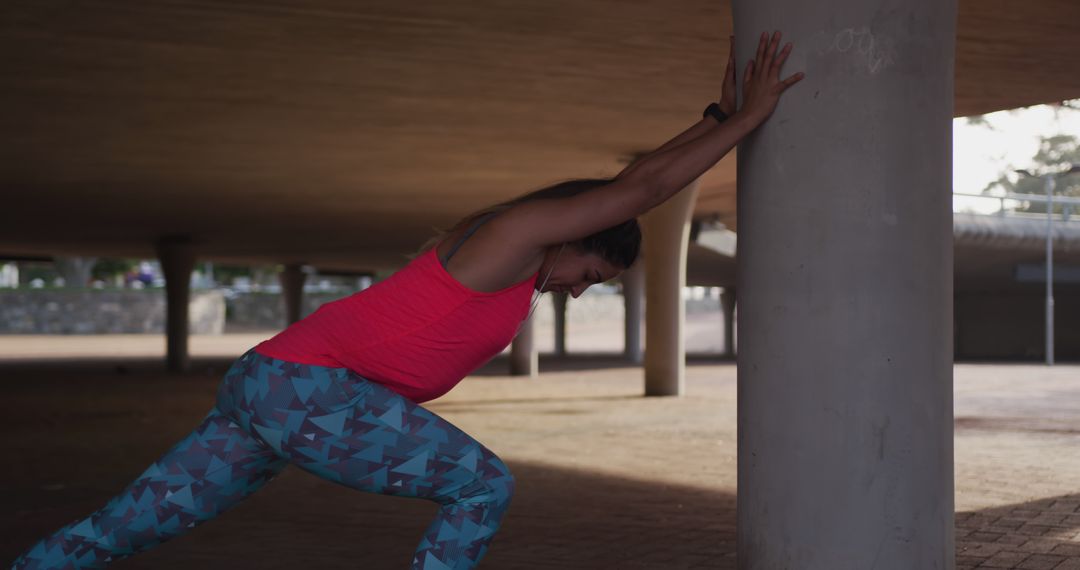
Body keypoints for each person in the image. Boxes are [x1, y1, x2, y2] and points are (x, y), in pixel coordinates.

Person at [12, 30, 802, 570]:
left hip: (268, 384)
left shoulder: (518, 254)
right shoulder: (518, 233)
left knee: (128, 526)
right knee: (483, 483)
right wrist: (751, 119)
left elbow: (631, 186)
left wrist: (713, 119)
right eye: (589, 274)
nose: (575, 289)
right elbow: (640, 188)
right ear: (573, 237)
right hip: (304, 391)